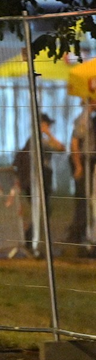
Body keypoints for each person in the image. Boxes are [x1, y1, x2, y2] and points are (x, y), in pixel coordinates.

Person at [14, 113, 66, 253]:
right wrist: (48, 133)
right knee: (42, 211)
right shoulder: (40, 141)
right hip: (37, 181)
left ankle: (31, 240)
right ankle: (31, 241)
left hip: (34, 181)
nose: (49, 127)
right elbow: (61, 148)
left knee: (42, 211)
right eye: (47, 125)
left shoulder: (33, 140)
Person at [68, 98, 96, 254]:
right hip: (84, 161)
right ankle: (78, 236)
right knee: (83, 199)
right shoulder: (83, 119)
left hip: (89, 161)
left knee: (87, 198)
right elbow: (75, 143)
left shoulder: (90, 119)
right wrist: (78, 165)